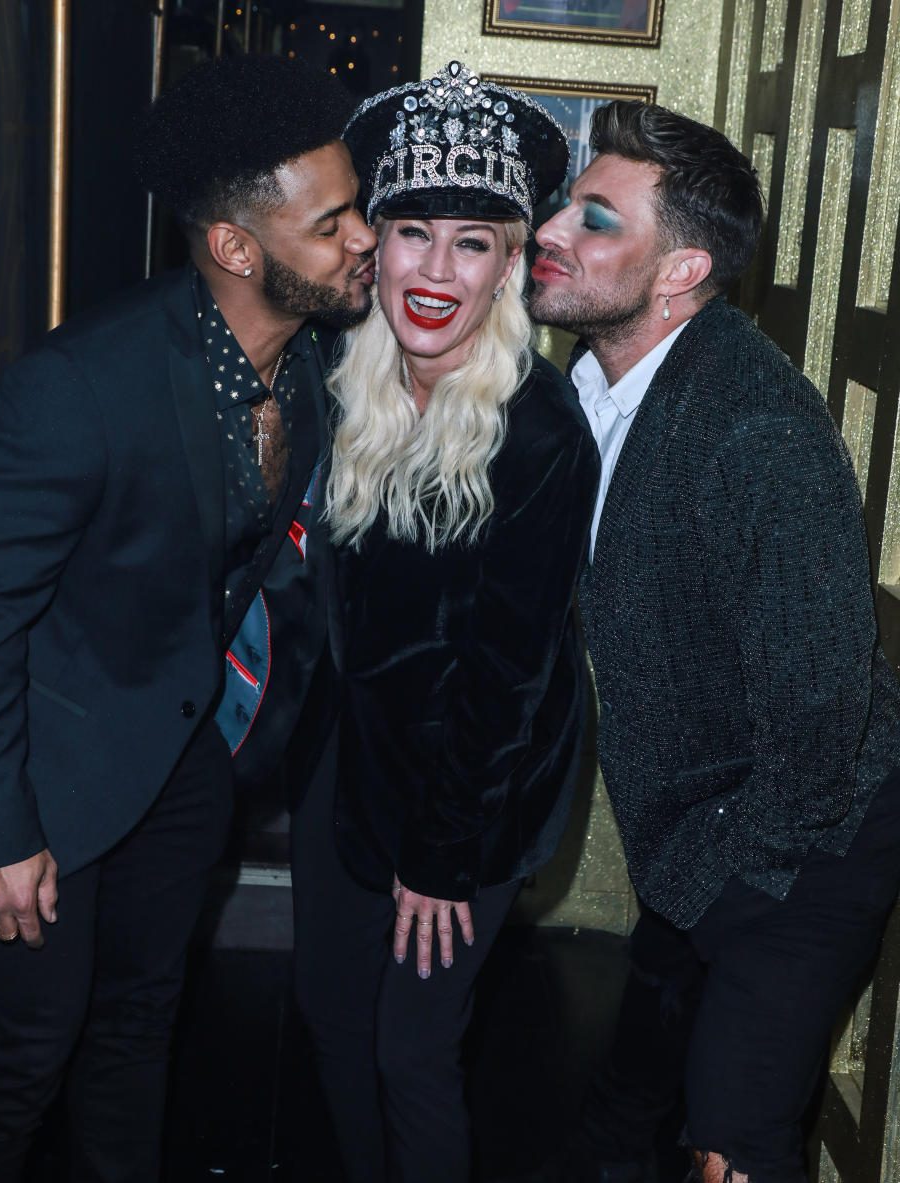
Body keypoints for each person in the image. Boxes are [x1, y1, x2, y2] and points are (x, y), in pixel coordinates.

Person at [0, 53, 376, 1182]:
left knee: (141, 1024)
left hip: (183, 763)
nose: (364, 237)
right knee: (25, 1050)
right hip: (43, 774)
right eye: (332, 224)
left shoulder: (319, 367)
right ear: (238, 247)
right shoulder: (83, 383)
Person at [525, 99, 900, 1183]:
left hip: (800, 846)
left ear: (681, 272)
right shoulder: (588, 382)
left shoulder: (756, 433)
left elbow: (821, 712)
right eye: (567, 205)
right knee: (624, 1104)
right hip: (700, 836)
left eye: (596, 219)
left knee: (731, 1147)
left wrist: (737, 884)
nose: (554, 230)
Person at [289, 61, 600, 1183]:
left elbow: (506, 677)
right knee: (329, 1013)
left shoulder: (541, 431)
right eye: (413, 232)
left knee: (410, 1049)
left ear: (511, 264)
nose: (436, 269)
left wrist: (441, 857)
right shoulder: (338, 375)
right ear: (375, 245)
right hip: (353, 751)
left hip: (476, 780)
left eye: (473, 241)